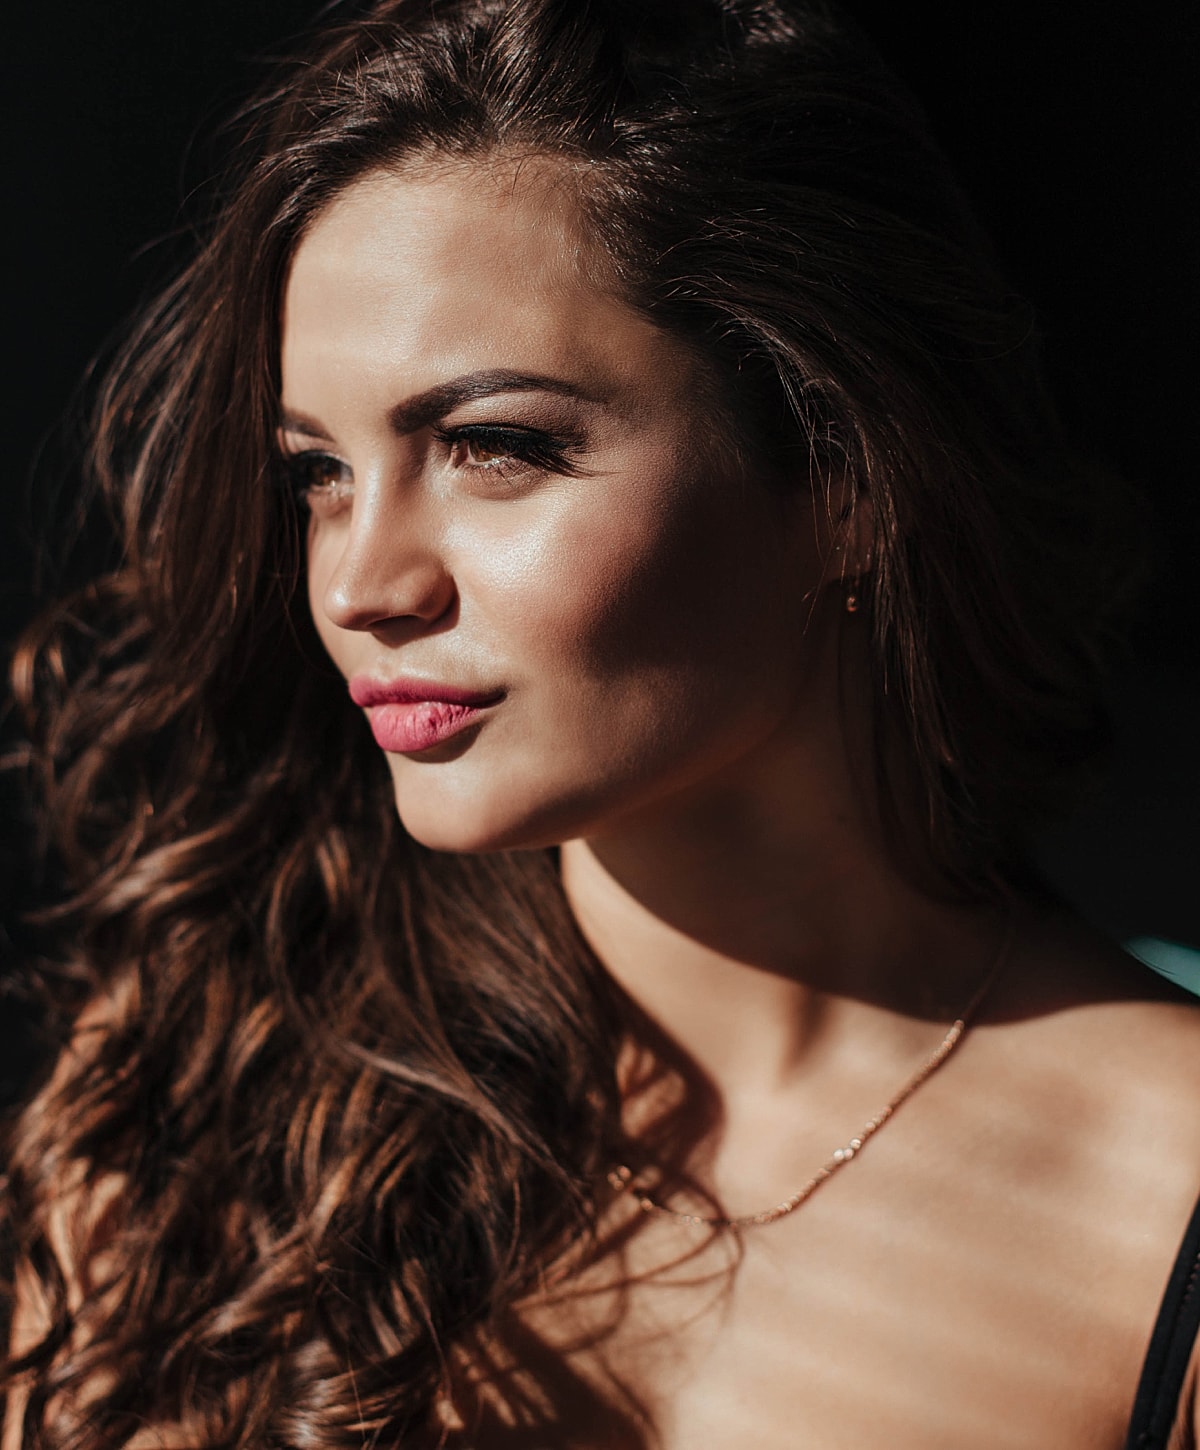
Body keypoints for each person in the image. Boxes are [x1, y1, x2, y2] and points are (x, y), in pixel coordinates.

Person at [3, 0, 1197, 1445]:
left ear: (846, 480)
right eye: (316, 472)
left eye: (493, 446)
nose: (360, 582)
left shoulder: (1163, 1190)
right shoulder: (210, 1085)